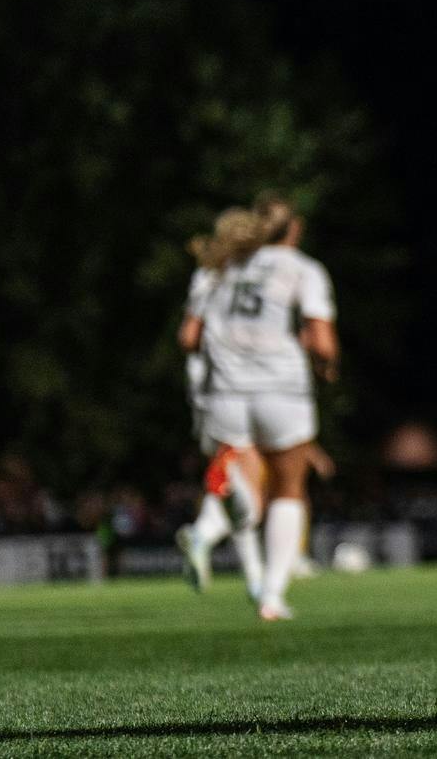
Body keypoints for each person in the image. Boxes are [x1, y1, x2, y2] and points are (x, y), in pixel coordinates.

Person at [178, 196, 338, 620]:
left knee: (245, 487)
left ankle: (210, 527)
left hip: (225, 393)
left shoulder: (217, 269)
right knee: (288, 490)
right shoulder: (302, 269)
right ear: (293, 230)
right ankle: (271, 595)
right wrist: (326, 365)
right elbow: (322, 341)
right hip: (281, 390)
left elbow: (189, 338)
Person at [175, 229, 267, 603]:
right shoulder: (235, 279)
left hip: (207, 385)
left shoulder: (208, 278)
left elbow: (189, 338)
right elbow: (192, 335)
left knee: (233, 480)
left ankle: (256, 578)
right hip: (228, 387)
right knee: (249, 478)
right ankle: (206, 533)